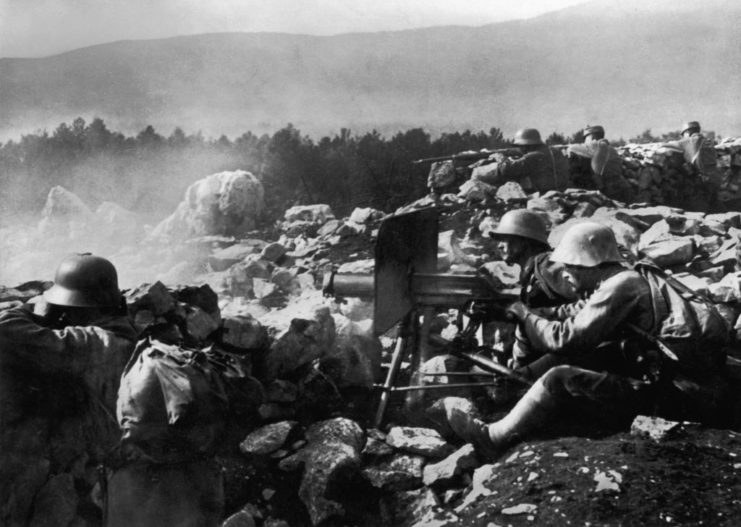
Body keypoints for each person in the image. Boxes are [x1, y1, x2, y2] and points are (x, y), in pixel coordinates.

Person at [440, 222, 729, 459]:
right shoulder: (619, 280)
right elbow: (571, 312)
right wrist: (514, 312)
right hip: (672, 379)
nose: (564, 273)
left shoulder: (622, 287)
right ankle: (518, 390)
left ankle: (493, 438)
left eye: (569, 266)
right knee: (587, 356)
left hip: (675, 397)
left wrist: (523, 315)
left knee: (560, 376)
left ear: (587, 263)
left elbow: (566, 339)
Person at [0, 253, 137, 526]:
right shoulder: (122, 335)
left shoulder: (96, 344)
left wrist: (32, 308)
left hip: (87, 465)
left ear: (79, 307)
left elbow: (4, 327)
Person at [481, 209, 577, 370]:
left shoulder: (547, 265)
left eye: (505, 239)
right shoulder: (532, 270)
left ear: (524, 241)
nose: (499, 245)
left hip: (566, 354)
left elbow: (583, 299)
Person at [471, 128, 570, 193]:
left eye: (520, 146)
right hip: (558, 189)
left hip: (548, 193)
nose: (520, 149)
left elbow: (507, 170)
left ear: (528, 144)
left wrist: (499, 157)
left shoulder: (536, 155)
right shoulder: (551, 151)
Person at [567, 125, 635, 203]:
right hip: (624, 188)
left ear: (591, 137)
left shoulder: (596, 145)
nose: (584, 141)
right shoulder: (612, 149)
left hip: (610, 189)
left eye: (585, 138)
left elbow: (573, 148)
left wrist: (567, 149)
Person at [664, 121, 723, 211]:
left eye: (683, 134)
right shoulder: (709, 141)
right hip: (715, 177)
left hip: (701, 180)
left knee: (700, 208)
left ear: (687, 132)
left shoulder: (687, 141)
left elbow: (664, 146)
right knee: (715, 204)